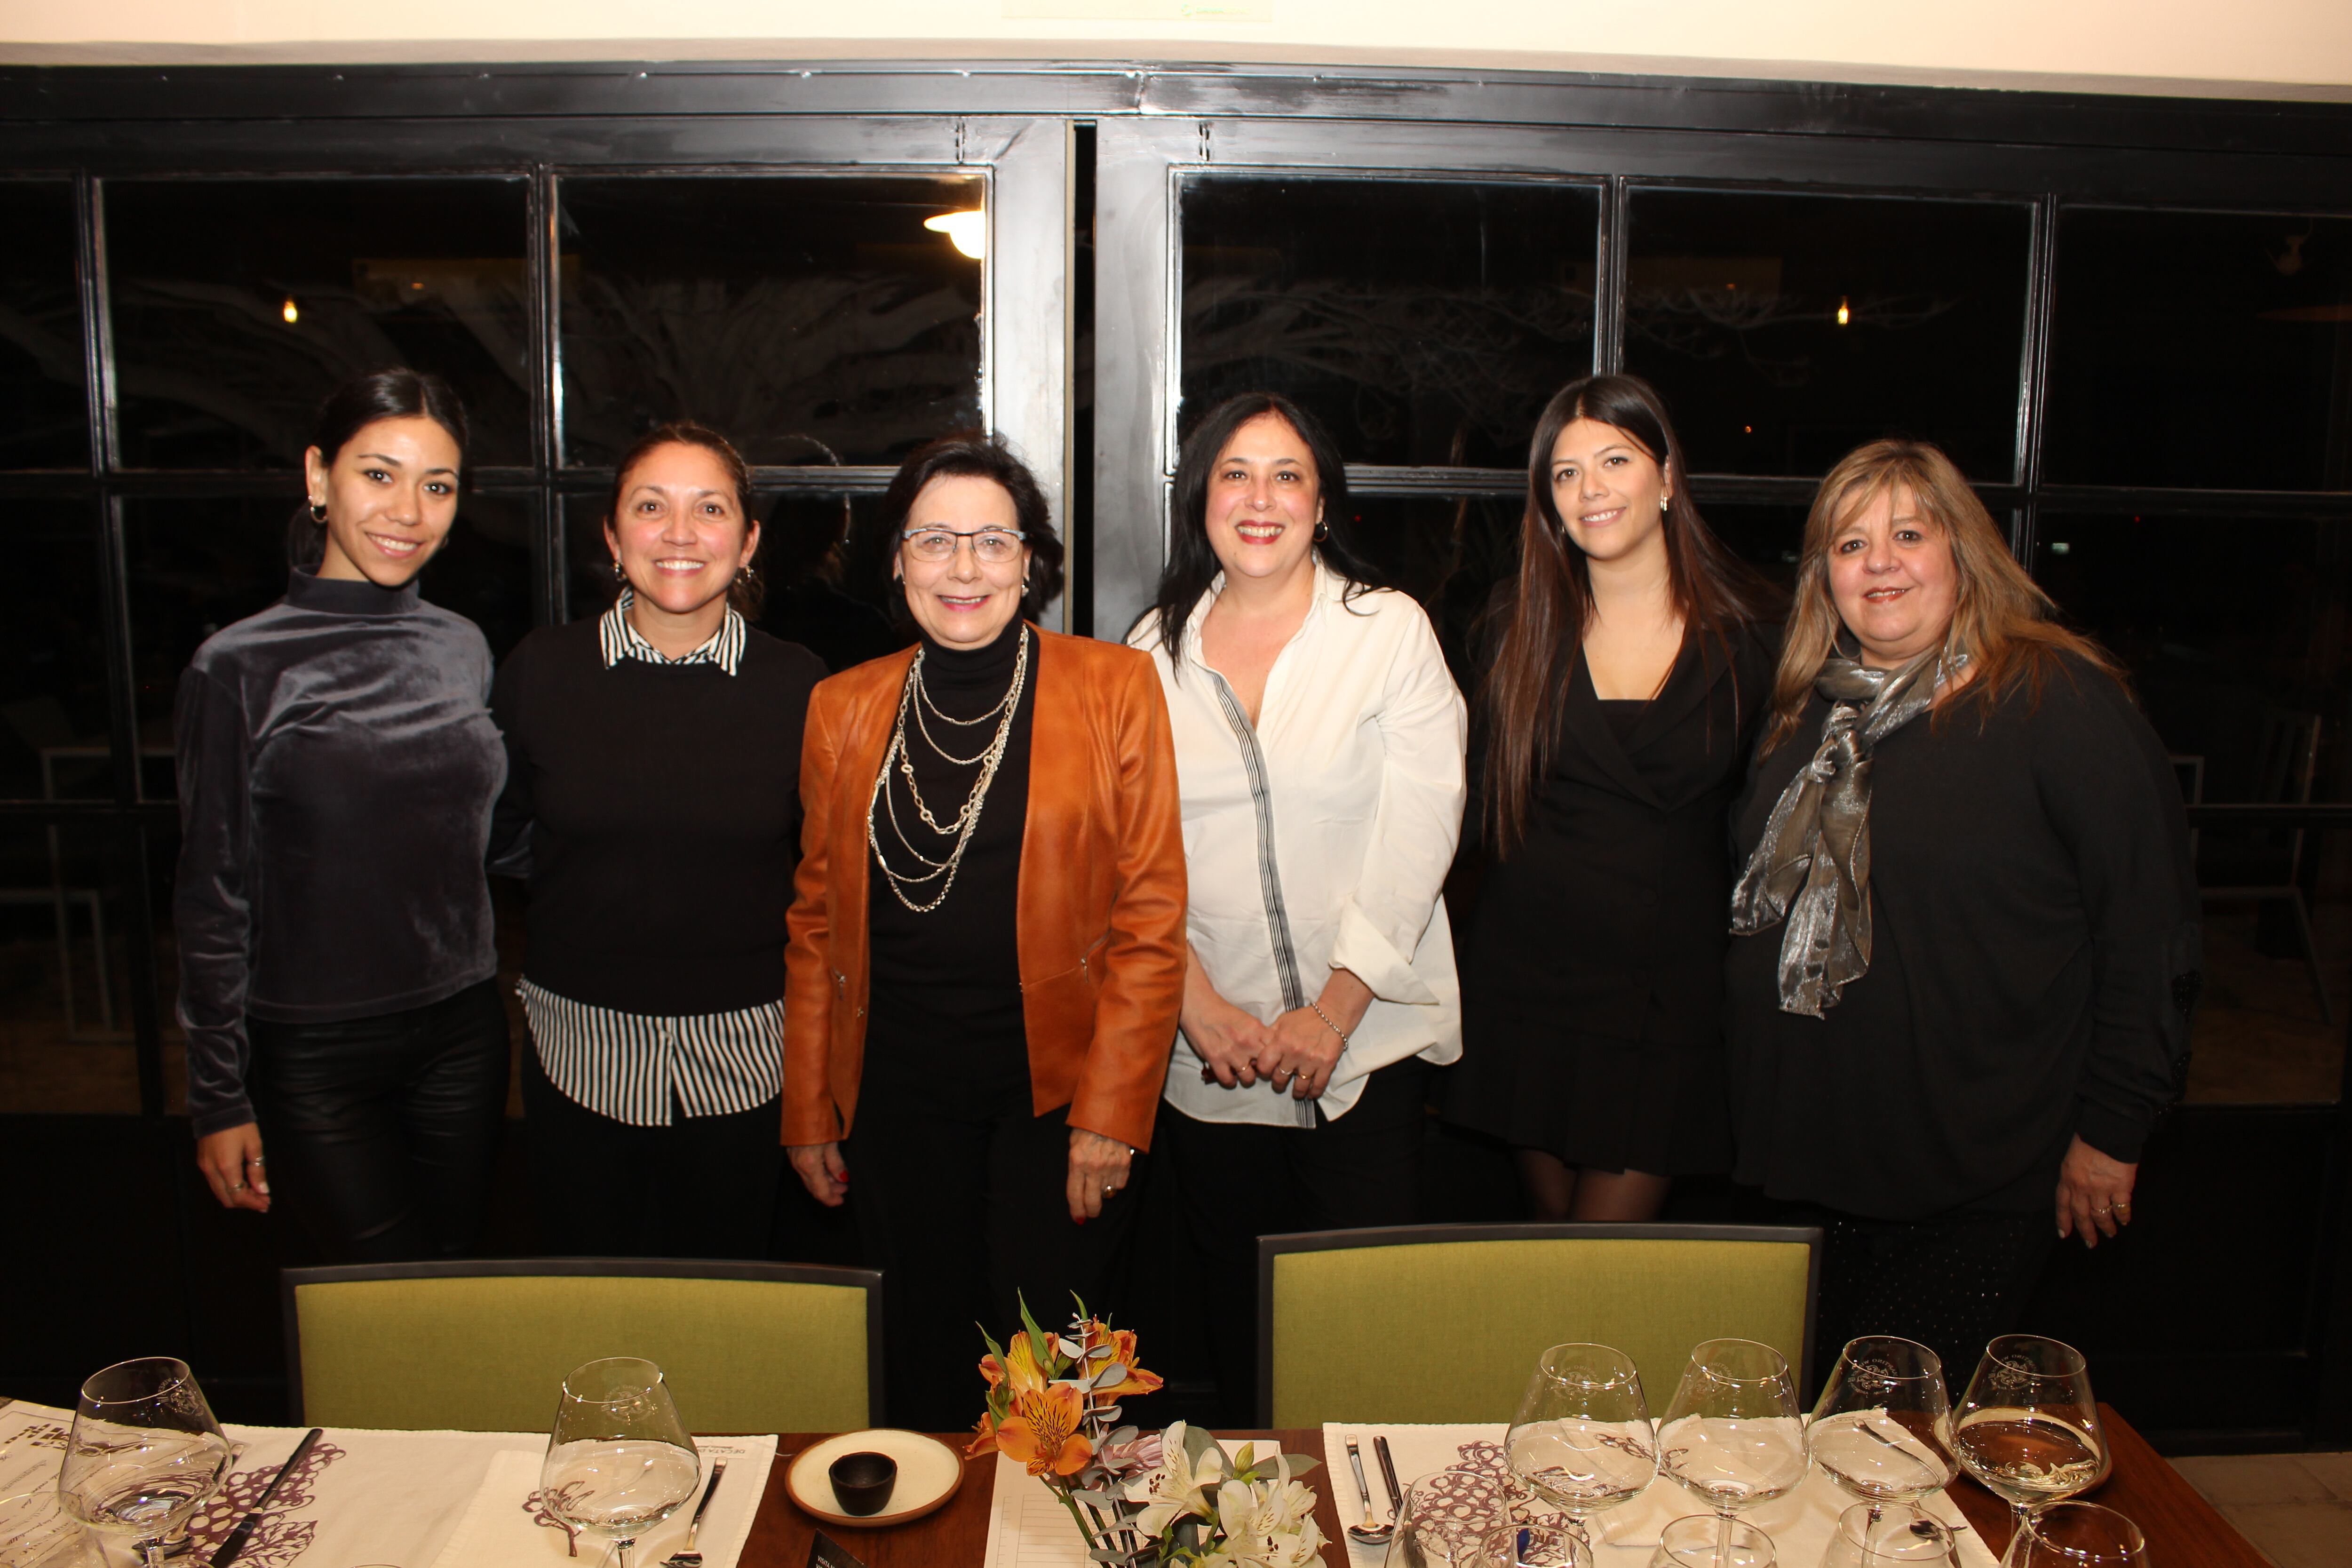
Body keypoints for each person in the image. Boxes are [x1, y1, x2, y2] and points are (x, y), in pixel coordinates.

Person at [1724, 438, 2197, 1379]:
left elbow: (2149, 925)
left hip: (1976, 1166)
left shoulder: (2056, 698)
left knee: (1885, 1452)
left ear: (1962, 553)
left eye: (1908, 532)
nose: (1880, 562)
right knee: (1813, 1447)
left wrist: (2112, 1129)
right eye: (1850, 544)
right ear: (1825, 573)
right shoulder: (1812, 708)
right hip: (1811, 1161)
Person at [782, 433, 1186, 1431]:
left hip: (1054, 1102)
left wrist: (1114, 1110)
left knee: (1052, 1380)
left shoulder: (1114, 688)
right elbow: (817, 917)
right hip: (892, 1098)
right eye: (935, 540)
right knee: (922, 1365)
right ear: (895, 559)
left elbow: (1151, 915)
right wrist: (806, 1104)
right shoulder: (841, 705)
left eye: (992, 541)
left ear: (1030, 561)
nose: (963, 567)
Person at [1131, 391, 1466, 1422]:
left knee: (1362, 1338)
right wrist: (1194, 1003)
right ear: (1200, 501)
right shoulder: (1150, 650)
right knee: (1240, 1325)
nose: (1260, 497)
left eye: (1288, 474)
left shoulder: (1385, 630)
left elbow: (1423, 828)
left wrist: (1335, 1009)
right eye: (1235, 473)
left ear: (1323, 503)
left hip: (1363, 1046)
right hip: (1212, 1051)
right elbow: (1128, 855)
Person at [175, 368, 509, 1262]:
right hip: (316, 1052)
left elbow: (482, 838)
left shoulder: (461, 645)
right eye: (379, 474)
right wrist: (218, 1094)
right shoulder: (238, 666)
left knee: (461, 1281)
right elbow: (212, 896)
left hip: (463, 1032)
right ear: (319, 477)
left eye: (436, 486)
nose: (408, 510)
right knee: (378, 1311)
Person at [1443, 374, 1780, 1222]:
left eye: (1615, 460)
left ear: (1666, 478)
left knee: (1598, 1263)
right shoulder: (1513, 630)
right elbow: (1465, 804)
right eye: (1564, 473)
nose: (1590, 489)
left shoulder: (1754, 637)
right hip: (1527, 989)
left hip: (1666, 1002)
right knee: (1556, 1258)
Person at [491, 421, 826, 1258]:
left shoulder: (801, 685)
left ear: (748, 542)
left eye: (709, 509)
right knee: (592, 1300)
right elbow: (502, 835)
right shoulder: (541, 669)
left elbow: (828, 876)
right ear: (612, 534)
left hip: (747, 1053)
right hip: (580, 1047)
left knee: (726, 1300)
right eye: (651, 507)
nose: (679, 534)